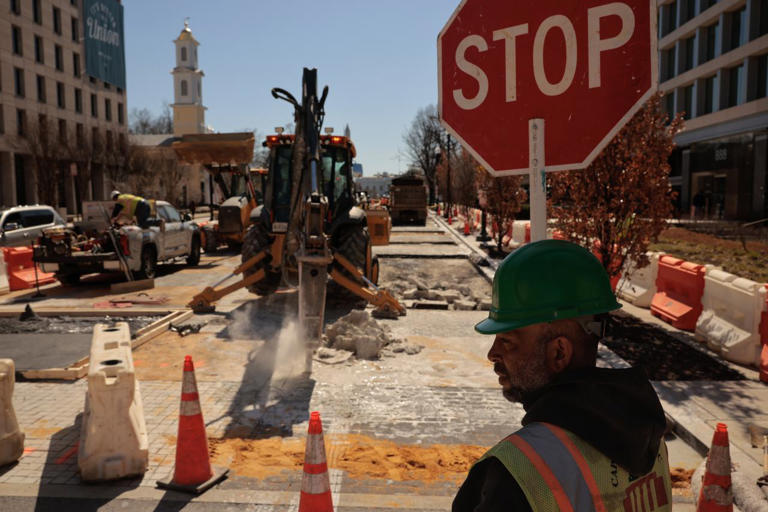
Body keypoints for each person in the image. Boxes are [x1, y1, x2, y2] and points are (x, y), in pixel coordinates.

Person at [453, 240, 671, 512]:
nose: (492, 353)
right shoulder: (649, 438)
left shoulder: (518, 472)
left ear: (559, 352)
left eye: (507, 340)